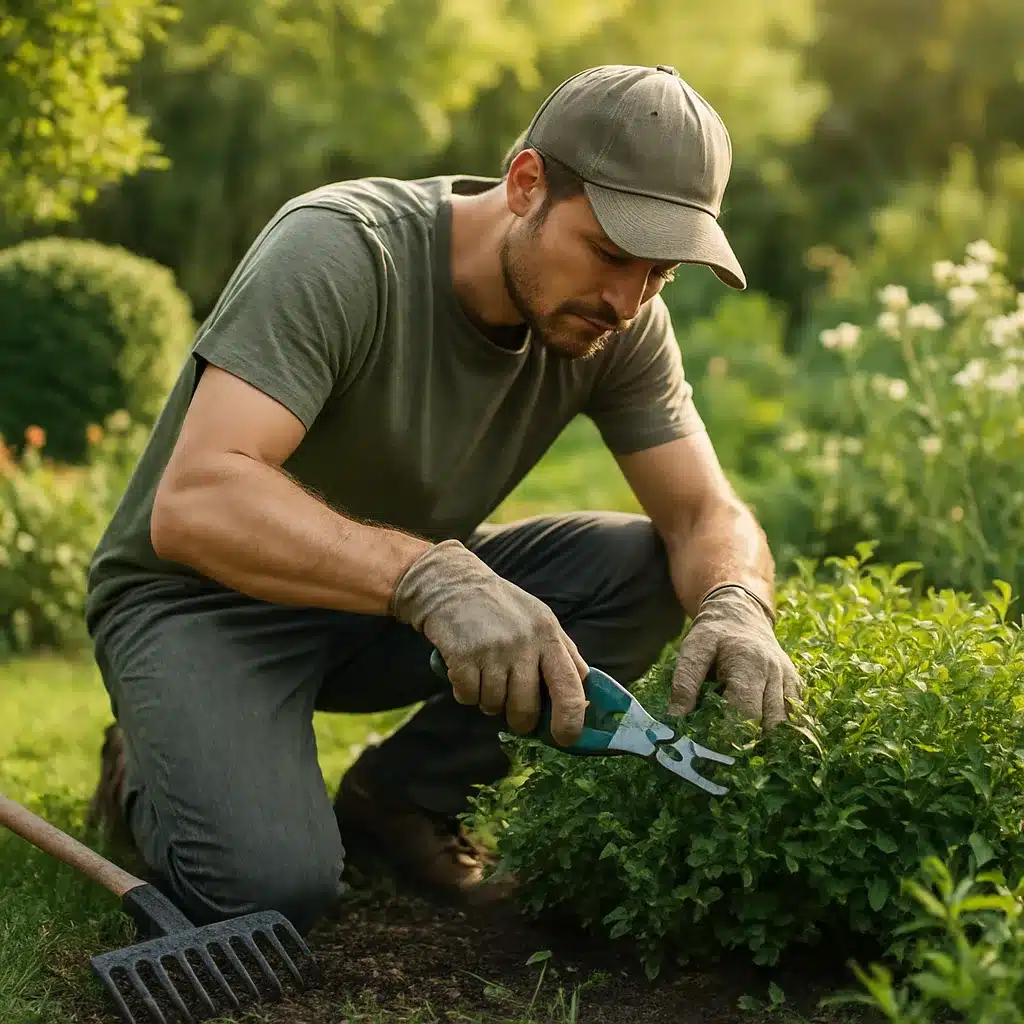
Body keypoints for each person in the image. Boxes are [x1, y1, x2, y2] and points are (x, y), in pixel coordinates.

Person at [84, 63, 802, 939]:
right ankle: (144, 765)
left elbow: (702, 514)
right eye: (611, 253)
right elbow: (196, 500)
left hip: (387, 604)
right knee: (274, 887)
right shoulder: (343, 251)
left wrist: (738, 604)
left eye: (661, 272)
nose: (628, 298)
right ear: (526, 182)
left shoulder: (621, 320)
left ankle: (400, 798)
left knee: (650, 567)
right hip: (197, 601)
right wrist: (431, 580)